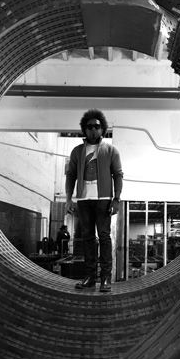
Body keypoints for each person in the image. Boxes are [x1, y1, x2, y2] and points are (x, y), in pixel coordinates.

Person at [65, 109, 123, 292]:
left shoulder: (111, 150)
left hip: (103, 199)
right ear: (84, 129)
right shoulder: (77, 151)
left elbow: (118, 175)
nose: (93, 130)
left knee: (104, 237)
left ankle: (106, 278)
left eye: (97, 126)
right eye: (89, 127)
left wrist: (116, 199)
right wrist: (68, 199)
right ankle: (90, 277)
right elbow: (71, 176)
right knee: (87, 238)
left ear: (102, 129)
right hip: (83, 199)